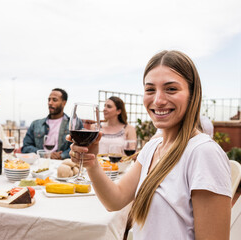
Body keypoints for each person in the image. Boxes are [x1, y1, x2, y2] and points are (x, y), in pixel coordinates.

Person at [69, 50, 231, 239]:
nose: (158, 100)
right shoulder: (152, 148)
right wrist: (91, 162)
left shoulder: (203, 153)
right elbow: (115, 200)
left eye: (171, 89)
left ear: (192, 94)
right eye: (150, 89)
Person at [22, 88, 75, 159]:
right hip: (40, 162)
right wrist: (44, 154)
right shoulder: (35, 124)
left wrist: (61, 156)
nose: (50, 103)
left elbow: (76, 148)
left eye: (54, 100)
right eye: (49, 100)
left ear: (64, 103)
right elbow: (26, 147)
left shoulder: (73, 124)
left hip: (62, 164)